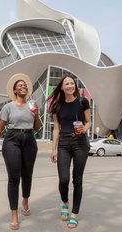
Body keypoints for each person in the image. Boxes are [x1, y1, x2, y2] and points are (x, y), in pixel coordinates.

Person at [0, 73, 40, 230]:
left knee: (27, 175)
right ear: (15, 90)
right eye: (20, 85)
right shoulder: (8, 107)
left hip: (29, 139)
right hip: (12, 140)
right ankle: (14, 215)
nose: (23, 87)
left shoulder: (32, 105)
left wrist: (36, 114)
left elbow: (37, 128)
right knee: (14, 178)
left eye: (25, 85)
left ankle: (25, 201)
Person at [47, 74, 91, 229]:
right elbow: (56, 128)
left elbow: (89, 122)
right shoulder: (57, 105)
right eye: (67, 84)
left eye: (72, 83)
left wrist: (83, 129)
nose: (70, 86)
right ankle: (65, 202)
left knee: (77, 179)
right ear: (62, 87)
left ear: (75, 86)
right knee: (63, 179)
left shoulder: (82, 101)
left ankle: (74, 214)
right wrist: (53, 149)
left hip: (80, 143)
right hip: (64, 143)